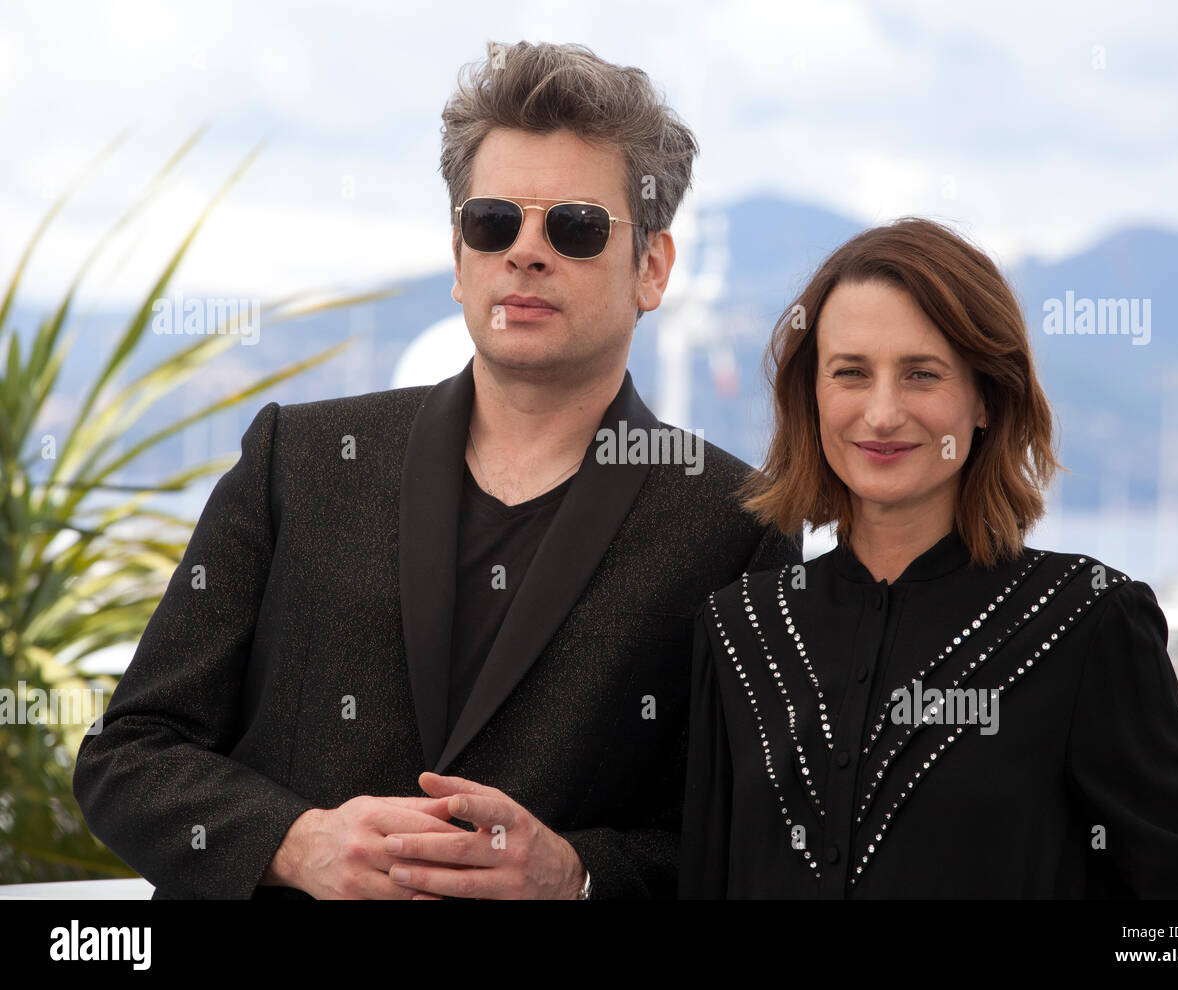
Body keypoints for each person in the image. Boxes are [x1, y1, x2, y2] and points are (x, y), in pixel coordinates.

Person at [73, 41, 800, 900]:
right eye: (492, 222)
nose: (525, 253)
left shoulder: (736, 525)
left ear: (652, 267)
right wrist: (297, 843)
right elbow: (129, 755)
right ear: (459, 259)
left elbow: (752, 842)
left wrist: (575, 875)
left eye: (574, 226)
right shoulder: (294, 461)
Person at [678, 217, 1178, 898]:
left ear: (986, 398)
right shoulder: (741, 628)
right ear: (812, 395)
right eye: (850, 373)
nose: (882, 414)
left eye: (922, 374)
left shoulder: (1084, 623)